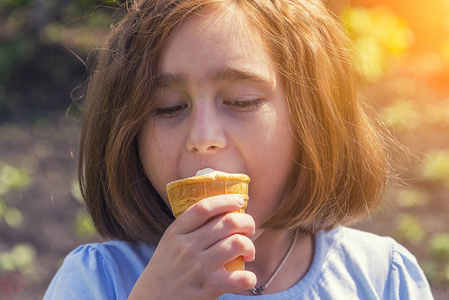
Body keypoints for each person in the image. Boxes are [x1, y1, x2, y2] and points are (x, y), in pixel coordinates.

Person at [44, 0, 433, 299]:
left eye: (242, 101)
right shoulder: (100, 280)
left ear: (314, 117)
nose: (203, 135)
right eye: (167, 107)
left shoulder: (382, 277)